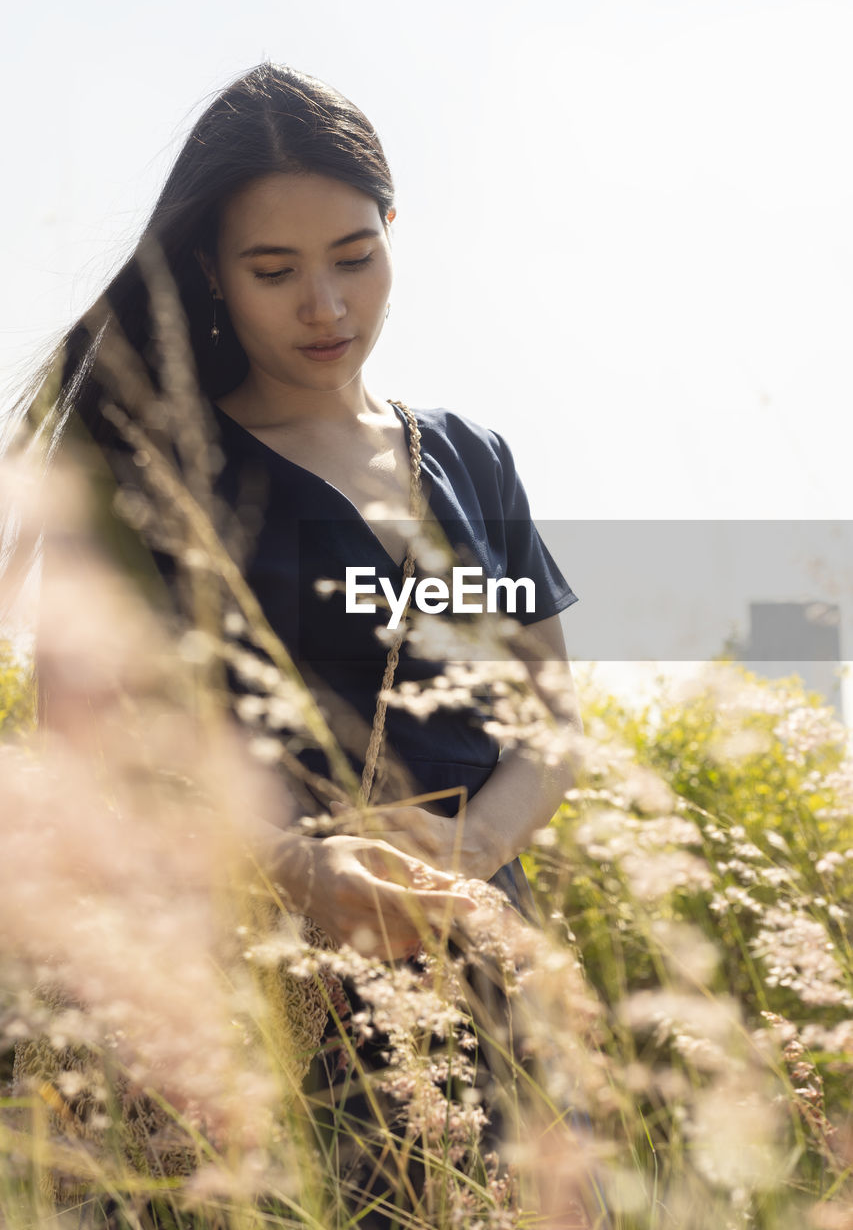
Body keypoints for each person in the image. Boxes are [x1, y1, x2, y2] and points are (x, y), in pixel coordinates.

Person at [11, 62, 584, 1222]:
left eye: (352, 257)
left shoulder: (472, 457)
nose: (323, 304)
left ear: (391, 232)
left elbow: (551, 721)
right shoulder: (152, 469)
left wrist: (469, 854)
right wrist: (294, 868)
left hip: (489, 970)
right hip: (261, 991)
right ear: (215, 274)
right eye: (274, 271)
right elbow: (89, 752)